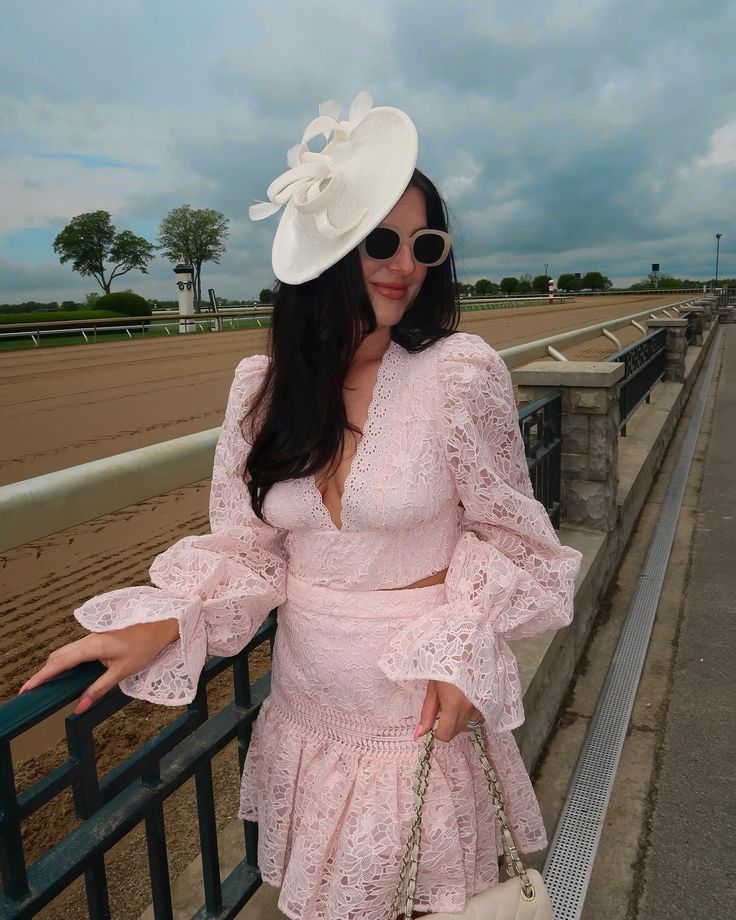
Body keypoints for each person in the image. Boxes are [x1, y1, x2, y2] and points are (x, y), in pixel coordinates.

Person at [20, 93, 582, 920]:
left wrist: (466, 644)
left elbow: (512, 539)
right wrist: (172, 619)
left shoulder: (459, 373)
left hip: (422, 707)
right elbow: (251, 551)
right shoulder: (261, 390)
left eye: (426, 244)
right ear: (328, 245)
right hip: (310, 711)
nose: (408, 264)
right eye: (382, 240)